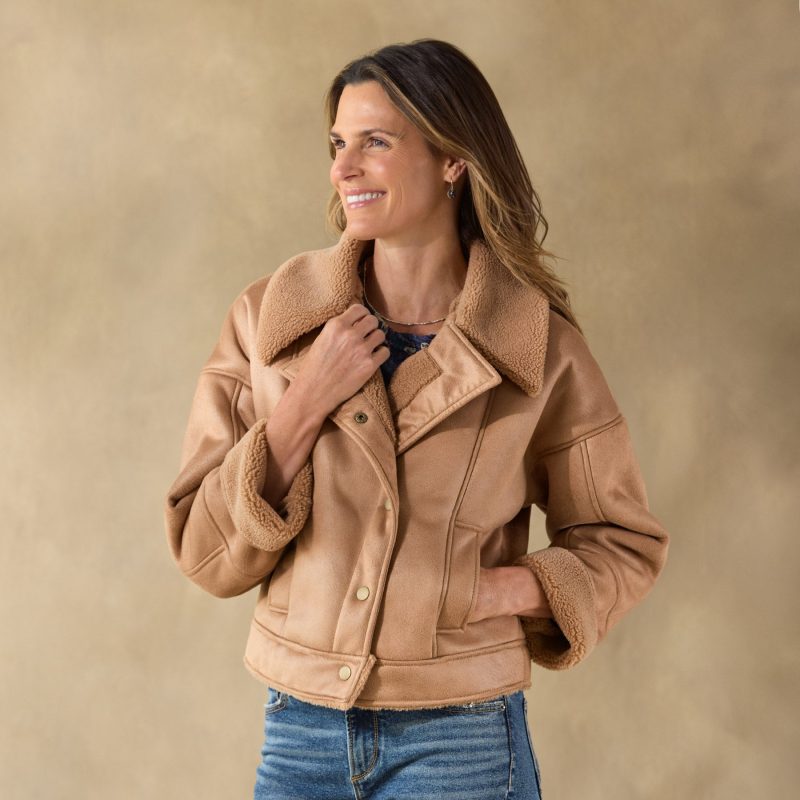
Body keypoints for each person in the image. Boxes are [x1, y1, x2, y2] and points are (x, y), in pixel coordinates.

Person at [165, 38, 669, 800]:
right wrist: (304, 402)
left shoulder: (536, 349)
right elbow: (204, 553)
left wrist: (498, 592)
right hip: (299, 731)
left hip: (459, 737)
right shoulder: (272, 321)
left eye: (375, 141)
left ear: (453, 160)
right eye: (337, 144)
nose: (343, 168)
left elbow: (622, 543)